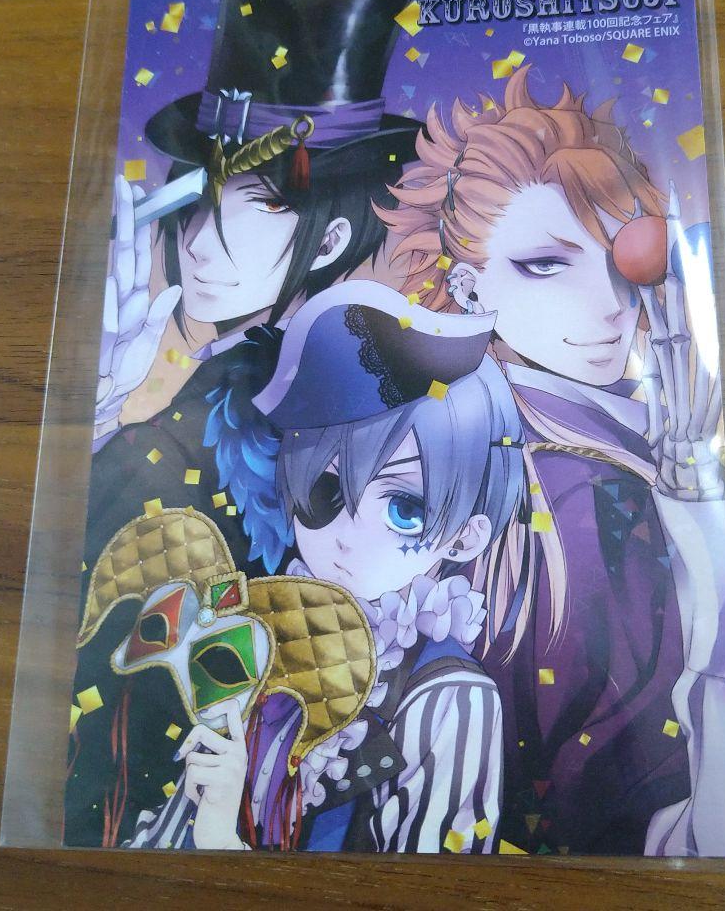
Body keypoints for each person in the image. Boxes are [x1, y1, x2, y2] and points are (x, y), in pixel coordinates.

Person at [66, 0, 421, 847]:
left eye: (252, 205)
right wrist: (105, 411)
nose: (199, 244)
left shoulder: (353, 402)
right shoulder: (177, 377)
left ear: (329, 237)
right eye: (201, 203)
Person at [377, 68, 725, 857]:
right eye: (546, 263)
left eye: (620, 255)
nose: (610, 302)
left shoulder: (617, 435)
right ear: (469, 288)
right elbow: (642, 813)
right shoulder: (569, 490)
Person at [122, 281, 530, 852]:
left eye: (404, 509)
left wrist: (222, 843)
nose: (346, 537)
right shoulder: (256, 638)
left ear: (466, 537)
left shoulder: (449, 699)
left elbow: (433, 886)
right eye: (325, 490)